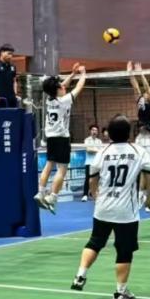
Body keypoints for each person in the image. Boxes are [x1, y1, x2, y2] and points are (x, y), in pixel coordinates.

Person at [71, 115, 150, 299]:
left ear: (109, 133)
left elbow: (92, 179)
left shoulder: (103, 152)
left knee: (95, 242)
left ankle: (80, 275)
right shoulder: (138, 151)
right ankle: (120, 292)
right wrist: (149, 199)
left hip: (103, 208)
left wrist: (96, 196)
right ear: (129, 133)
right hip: (126, 212)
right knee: (124, 251)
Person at [36, 64, 86, 213]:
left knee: (49, 165)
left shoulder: (49, 99)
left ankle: (40, 192)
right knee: (62, 169)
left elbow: (62, 85)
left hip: (50, 137)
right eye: (61, 86)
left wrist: (72, 74)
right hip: (62, 138)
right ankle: (53, 197)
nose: (64, 87)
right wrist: (83, 74)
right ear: (58, 90)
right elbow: (79, 87)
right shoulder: (64, 101)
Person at [129, 62, 150, 166]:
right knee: (138, 165)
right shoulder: (141, 102)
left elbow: (147, 88)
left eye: (147, 93)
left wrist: (140, 73)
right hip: (140, 137)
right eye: (144, 93)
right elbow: (135, 88)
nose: (145, 93)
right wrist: (130, 73)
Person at [82, 125, 103, 201]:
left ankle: (94, 193)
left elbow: (101, 152)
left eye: (96, 130)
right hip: (89, 163)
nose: (94, 132)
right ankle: (85, 195)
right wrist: (97, 150)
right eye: (93, 130)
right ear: (90, 131)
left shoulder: (99, 141)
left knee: (97, 179)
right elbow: (88, 150)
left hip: (97, 163)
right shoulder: (87, 140)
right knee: (87, 179)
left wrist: (94, 149)